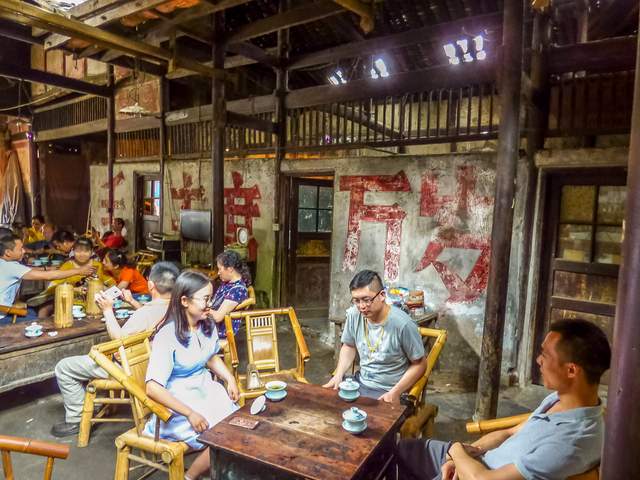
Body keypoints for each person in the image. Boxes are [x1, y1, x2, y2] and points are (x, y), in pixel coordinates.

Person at [397, 319, 611, 480]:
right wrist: (460, 457)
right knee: (396, 451)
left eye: (545, 355)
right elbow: (509, 433)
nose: (538, 360)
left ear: (571, 370)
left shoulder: (571, 442)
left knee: (391, 462)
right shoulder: (560, 399)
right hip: (473, 462)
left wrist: (456, 452)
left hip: (478, 474)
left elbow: (483, 479)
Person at [51, 261, 180, 438]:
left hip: (132, 370)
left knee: (64, 367)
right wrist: (132, 301)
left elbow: (118, 339)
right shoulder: (179, 308)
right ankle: (94, 405)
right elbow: (152, 316)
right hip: (158, 368)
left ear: (150, 285)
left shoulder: (144, 314)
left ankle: (76, 418)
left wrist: (107, 310)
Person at [145, 270, 239, 480]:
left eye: (211, 298)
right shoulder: (167, 336)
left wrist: (229, 378)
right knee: (223, 433)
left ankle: (224, 471)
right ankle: (189, 477)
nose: (210, 304)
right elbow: (152, 387)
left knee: (236, 424)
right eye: (205, 299)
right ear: (184, 301)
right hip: (180, 402)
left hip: (204, 390)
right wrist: (190, 413)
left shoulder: (206, 325)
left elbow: (210, 356)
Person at [323, 270, 426, 403]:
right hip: (360, 382)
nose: (362, 306)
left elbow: (420, 364)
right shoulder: (354, 314)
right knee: (326, 404)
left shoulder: (403, 324)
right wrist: (338, 374)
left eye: (367, 300)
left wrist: (395, 392)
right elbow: (348, 345)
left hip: (388, 390)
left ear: (382, 295)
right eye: (356, 301)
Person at [0, 234, 96, 323]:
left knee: (36, 310)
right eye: (21, 249)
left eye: (85, 251)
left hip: (5, 309)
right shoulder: (11, 267)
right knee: (38, 322)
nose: (24, 251)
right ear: (8, 252)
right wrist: (79, 271)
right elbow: (49, 276)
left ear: (91, 252)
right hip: (3, 315)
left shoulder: (5, 263)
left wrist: (47, 268)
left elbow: (27, 269)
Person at [36, 237, 115, 318]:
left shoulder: (98, 266)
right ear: (73, 251)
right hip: (71, 305)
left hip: (94, 306)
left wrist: (99, 289)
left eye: (86, 251)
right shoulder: (67, 266)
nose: (82, 254)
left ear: (91, 251)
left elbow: (112, 284)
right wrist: (74, 289)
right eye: (78, 251)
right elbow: (54, 287)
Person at [209, 250, 250, 339]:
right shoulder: (228, 283)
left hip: (219, 333)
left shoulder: (238, 290)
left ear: (230, 269)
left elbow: (217, 317)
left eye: (220, 269)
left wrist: (202, 308)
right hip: (212, 327)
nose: (218, 272)